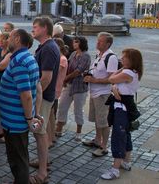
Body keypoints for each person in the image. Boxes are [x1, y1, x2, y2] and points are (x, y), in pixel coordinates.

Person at [0, 29, 42, 184]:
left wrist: (30, 118)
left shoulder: (18, 61)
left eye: (9, 37)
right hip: (15, 120)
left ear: (17, 39)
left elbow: (27, 95)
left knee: (18, 159)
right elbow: (38, 88)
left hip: (15, 122)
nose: (7, 40)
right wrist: (35, 114)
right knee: (19, 156)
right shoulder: (29, 58)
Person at [100, 48, 143, 180]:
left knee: (118, 136)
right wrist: (114, 87)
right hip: (125, 107)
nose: (121, 59)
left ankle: (115, 169)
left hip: (121, 109)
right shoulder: (133, 71)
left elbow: (111, 79)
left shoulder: (127, 72)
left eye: (124, 57)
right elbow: (113, 82)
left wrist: (113, 86)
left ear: (132, 60)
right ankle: (126, 161)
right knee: (126, 133)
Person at [30, 17, 60, 184]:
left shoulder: (49, 48)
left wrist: (35, 97)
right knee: (38, 133)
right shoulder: (46, 46)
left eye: (35, 27)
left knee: (40, 133)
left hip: (43, 98)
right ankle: (43, 162)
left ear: (44, 29)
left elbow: (46, 78)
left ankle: (42, 173)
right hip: (44, 96)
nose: (32, 29)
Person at [83, 32, 119, 157]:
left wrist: (94, 80)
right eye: (98, 40)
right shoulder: (100, 55)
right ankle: (97, 140)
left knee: (104, 121)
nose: (97, 43)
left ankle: (104, 146)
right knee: (97, 119)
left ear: (108, 44)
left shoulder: (111, 57)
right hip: (94, 93)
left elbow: (111, 79)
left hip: (103, 94)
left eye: (100, 41)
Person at [55, 36, 91, 141]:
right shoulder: (73, 54)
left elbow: (78, 71)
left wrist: (65, 79)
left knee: (78, 109)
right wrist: (65, 79)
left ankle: (79, 131)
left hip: (80, 86)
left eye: (76, 42)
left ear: (81, 44)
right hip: (69, 85)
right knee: (62, 106)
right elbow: (69, 67)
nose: (74, 44)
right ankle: (59, 128)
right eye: (74, 42)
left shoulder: (86, 56)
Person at [48, 38, 68, 145]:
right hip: (53, 88)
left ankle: (51, 136)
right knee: (50, 113)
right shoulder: (58, 57)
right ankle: (52, 135)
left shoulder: (62, 59)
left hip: (55, 89)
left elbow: (54, 71)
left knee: (51, 113)